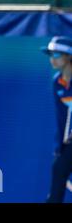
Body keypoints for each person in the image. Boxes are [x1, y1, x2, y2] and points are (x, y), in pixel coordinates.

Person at [41, 36, 72, 203]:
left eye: (57, 55)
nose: (52, 59)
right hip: (70, 143)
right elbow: (61, 116)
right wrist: (59, 145)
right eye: (50, 55)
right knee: (58, 169)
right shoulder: (57, 83)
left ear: (69, 56)